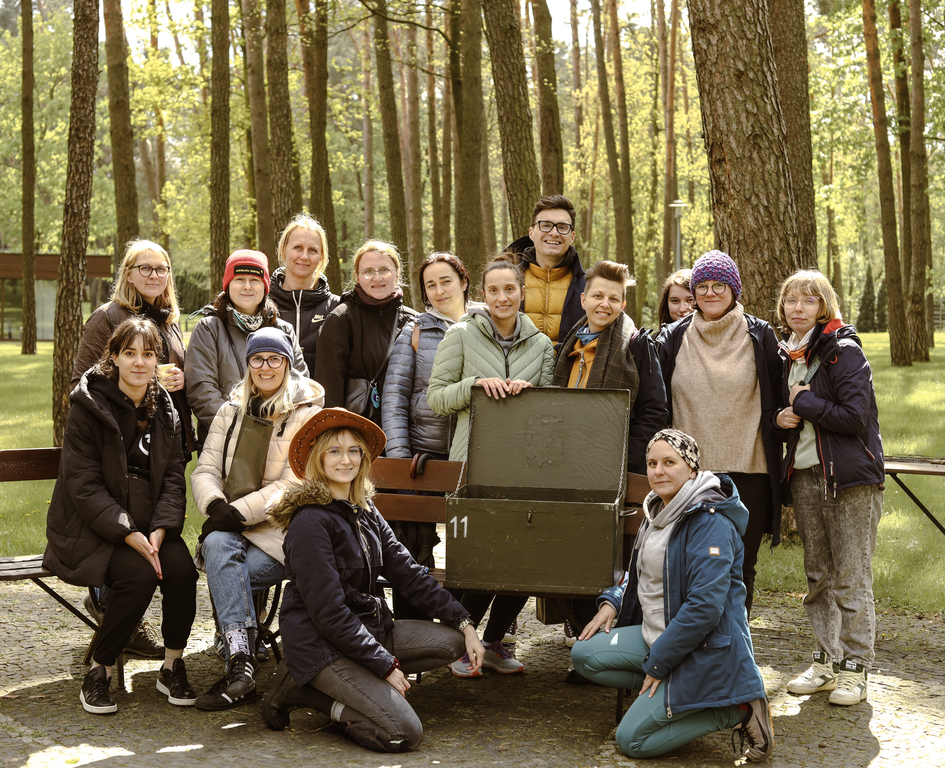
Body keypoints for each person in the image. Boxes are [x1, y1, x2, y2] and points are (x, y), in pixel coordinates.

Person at [261, 408, 485, 752]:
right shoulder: (310, 523)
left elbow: (408, 573)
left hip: (366, 630)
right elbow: (329, 614)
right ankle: (302, 690)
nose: (345, 460)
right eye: (334, 451)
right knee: (403, 733)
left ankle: (354, 681)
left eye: (354, 451)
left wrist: (466, 622)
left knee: (452, 643)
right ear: (318, 458)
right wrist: (384, 667)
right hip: (320, 645)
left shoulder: (364, 508)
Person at [571, 430, 774, 762]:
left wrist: (660, 661)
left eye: (669, 462)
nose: (658, 471)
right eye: (652, 463)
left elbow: (705, 609)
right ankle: (668, 693)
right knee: (584, 655)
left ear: (691, 469)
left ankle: (738, 708)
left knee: (631, 741)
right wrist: (613, 601)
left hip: (704, 650)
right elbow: (638, 574)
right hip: (658, 636)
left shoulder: (710, 522)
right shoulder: (657, 510)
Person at [44, 318, 199, 714]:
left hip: (151, 525)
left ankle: (171, 665)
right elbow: (83, 483)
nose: (139, 363)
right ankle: (98, 670)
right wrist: (128, 531)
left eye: (148, 354)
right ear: (113, 357)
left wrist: (163, 529)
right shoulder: (88, 405)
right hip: (93, 527)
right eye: (129, 353)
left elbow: (173, 478)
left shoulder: (165, 408)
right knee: (139, 575)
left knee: (181, 570)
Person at [427, 254, 555, 677]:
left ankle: (495, 641)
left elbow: (554, 412)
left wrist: (532, 393)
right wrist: (475, 386)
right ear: (483, 294)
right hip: (473, 469)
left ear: (522, 292)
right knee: (478, 564)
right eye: (494, 289)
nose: (502, 297)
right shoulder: (461, 336)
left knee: (524, 561)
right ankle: (461, 646)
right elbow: (436, 397)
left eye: (510, 289)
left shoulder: (541, 345)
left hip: (525, 472)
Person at [70, 238, 194, 659]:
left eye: (162, 269)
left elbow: (177, 377)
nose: (155, 276)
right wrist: (144, 378)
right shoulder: (107, 318)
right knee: (130, 546)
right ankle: (113, 612)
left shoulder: (169, 319)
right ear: (127, 273)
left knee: (166, 540)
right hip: (114, 449)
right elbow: (83, 382)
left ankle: (162, 656)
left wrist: (176, 382)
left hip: (161, 439)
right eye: (145, 268)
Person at [190, 327, 323, 710]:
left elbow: (295, 481)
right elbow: (205, 470)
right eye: (257, 359)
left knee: (225, 566)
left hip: (280, 530)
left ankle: (238, 659)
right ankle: (242, 661)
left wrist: (238, 513)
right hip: (230, 524)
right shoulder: (230, 410)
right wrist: (216, 506)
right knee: (217, 545)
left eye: (274, 359)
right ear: (247, 364)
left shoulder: (306, 414)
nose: (266, 367)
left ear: (287, 364)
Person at [775, 270, 884, 706]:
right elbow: (792, 419)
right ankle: (825, 660)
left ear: (824, 306)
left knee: (851, 575)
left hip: (850, 480)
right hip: (804, 476)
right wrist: (780, 418)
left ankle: (855, 667)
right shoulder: (789, 355)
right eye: (790, 301)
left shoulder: (843, 352)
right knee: (818, 574)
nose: (798, 308)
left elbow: (854, 417)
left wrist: (803, 402)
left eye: (808, 301)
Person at [553, 260, 668, 663]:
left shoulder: (635, 344)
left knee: (607, 559)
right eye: (598, 296)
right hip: (566, 468)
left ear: (623, 302)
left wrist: (625, 461)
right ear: (584, 299)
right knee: (573, 555)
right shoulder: (569, 344)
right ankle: (581, 642)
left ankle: (603, 648)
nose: (605, 304)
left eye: (614, 298)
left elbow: (653, 409)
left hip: (612, 469)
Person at [655, 250, 782, 613]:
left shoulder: (760, 335)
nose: (710, 293)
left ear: (734, 289)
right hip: (690, 475)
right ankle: (689, 647)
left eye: (720, 285)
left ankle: (734, 649)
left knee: (741, 565)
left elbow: (777, 395)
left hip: (749, 468)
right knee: (688, 563)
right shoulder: (674, 337)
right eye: (703, 286)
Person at [381, 252, 471, 618]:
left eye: (445, 281)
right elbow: (394, 397)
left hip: (471, 457)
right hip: (423, 457)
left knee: (473, 548)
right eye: (430, 285)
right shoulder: (414, 331)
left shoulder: (485, 326)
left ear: (463, 281)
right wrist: (401, 460)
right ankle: (413, 631)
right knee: (413, 549)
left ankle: (469, 632)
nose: (438, 290)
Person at [186, 250, 307, 447]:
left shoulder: (284, 330)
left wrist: (276, 428)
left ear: (265, 286)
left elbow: (300, 384)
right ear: (228, 285)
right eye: (239, 279)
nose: (247, 287)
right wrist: (242, 429)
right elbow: (202, 391)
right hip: (224, 442)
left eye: (255, 280)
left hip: (278, 442)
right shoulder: (209, 328)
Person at [315, 240, 418, 425]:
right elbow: (329, 391)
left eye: (384, 270)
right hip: (357, 432)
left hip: (406, 432)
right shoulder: (341, 320)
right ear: (357, 276)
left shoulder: (414, 321)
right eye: (368, 271)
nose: (377, 278)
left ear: (397, 273)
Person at [506, 194, 586, 347]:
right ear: (531, 233)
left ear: (572, 237)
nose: (554, 233)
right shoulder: (508, 281)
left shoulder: (588, 287)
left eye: (562, 227)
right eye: (546, 225)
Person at [269, 213, 341, 375]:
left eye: (313, 250)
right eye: (297, 248)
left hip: (321, 399)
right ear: (282, 249)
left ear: (321, 257)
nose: (304, 256)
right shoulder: (261, 304)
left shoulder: (338, 308)